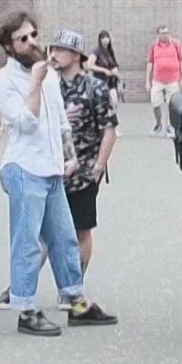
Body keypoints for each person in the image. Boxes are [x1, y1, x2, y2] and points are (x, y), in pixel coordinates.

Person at [0, 12, 116, 336]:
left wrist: (69, 157)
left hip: (52, 169)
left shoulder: (49, 76)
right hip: (24, 168)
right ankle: (26, 309)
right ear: (8, 46)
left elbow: (60, 121)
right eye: (23, 39)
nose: (32, 42)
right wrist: (34, 81)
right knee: (27, 242)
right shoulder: (4, 80)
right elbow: (26, 121)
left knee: (64, 238)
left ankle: (76, 302)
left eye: (33, 34)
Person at [51, 30, 115, 278]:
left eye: (60, 50)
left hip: (83, 172)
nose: (54, 54)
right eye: (52, 49)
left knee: (80, 229)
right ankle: (22, 286)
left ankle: (75, 282)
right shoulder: (49, 86)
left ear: (76, 55)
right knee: (47, 231)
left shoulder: (94, 87)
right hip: (52, 168)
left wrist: (98, 166)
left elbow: (109, 129)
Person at [146, 25, 182, 137]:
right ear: (158, 35)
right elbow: (150, 63)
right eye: (162, 33)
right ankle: (158, 124)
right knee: (155, 103)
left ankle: (170, 126)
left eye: (167, 33)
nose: (165, 35)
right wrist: (147, 81)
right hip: (157, 80)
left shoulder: (176, 44)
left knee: (172, 105)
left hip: (173, 79)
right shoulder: (153, 46)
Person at [90, 30, 122, 107]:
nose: (105, 39)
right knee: (103, 105)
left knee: (114, 104)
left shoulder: (110, 51)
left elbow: (114, 64)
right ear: (100, 39)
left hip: (111, 82)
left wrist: (116, 70)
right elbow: (89, 65)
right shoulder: (97, 51)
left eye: (107, 37)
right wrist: (104, 70)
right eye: (103, 37)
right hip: (100, 82)